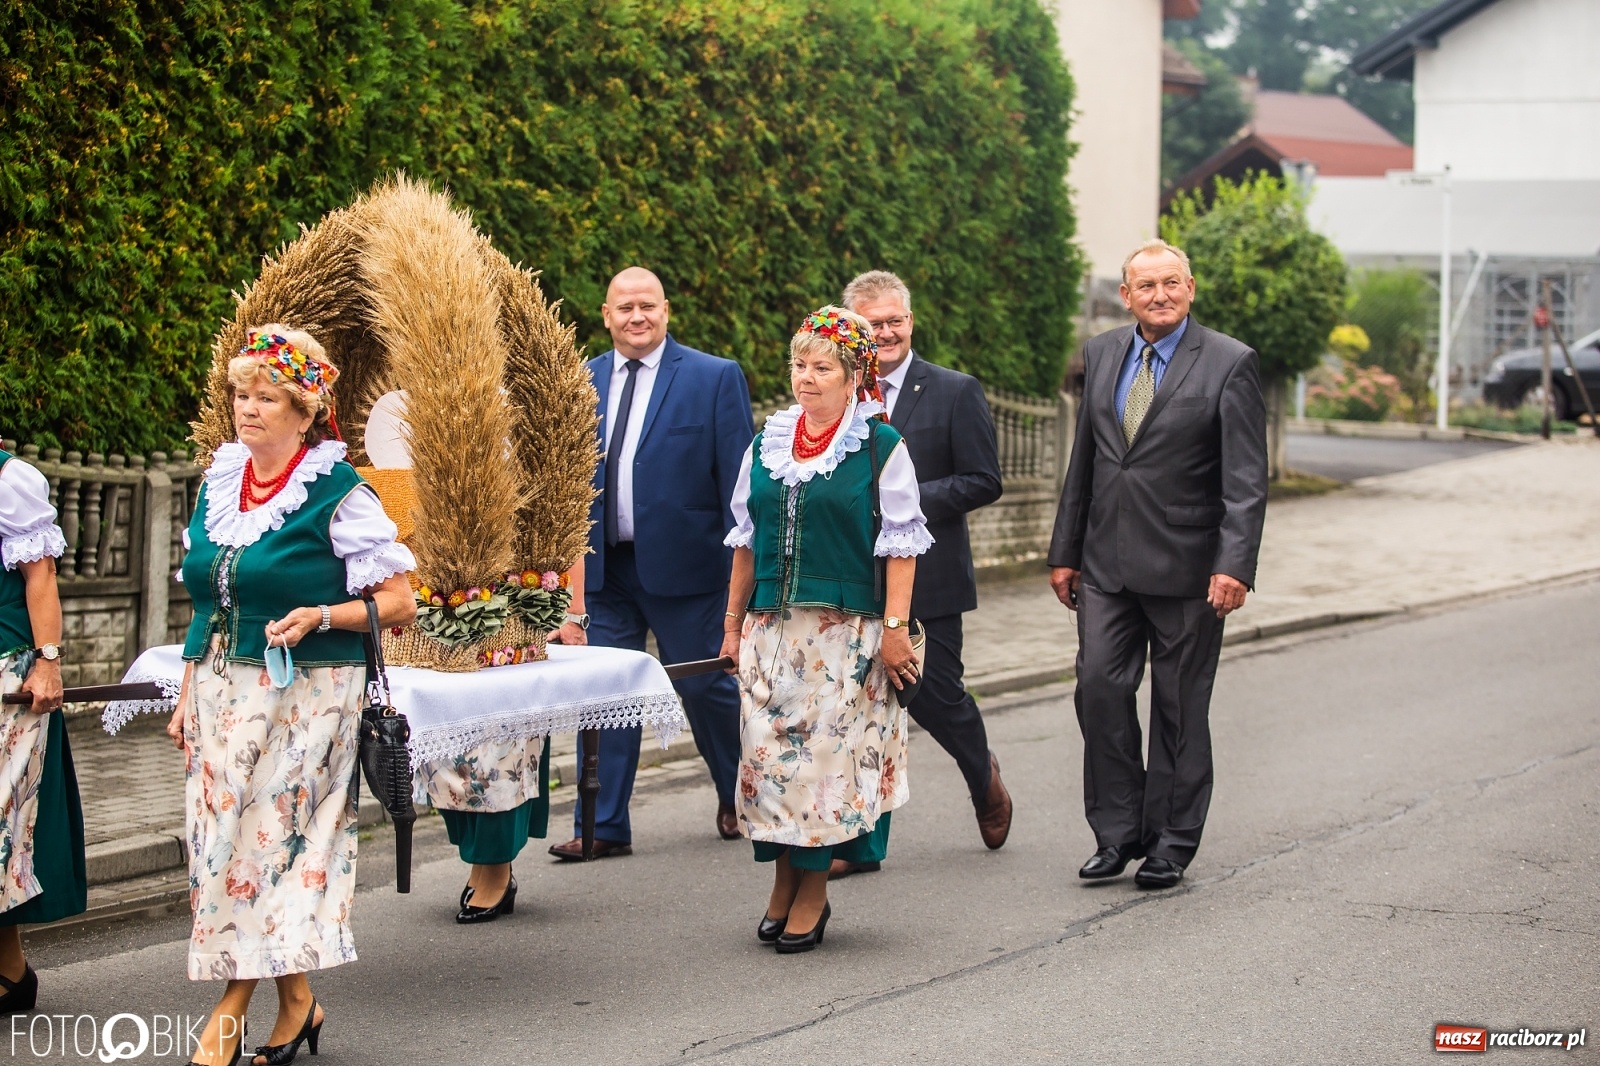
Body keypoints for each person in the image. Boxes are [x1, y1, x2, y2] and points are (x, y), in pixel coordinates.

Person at [164, 326, 416, 1066]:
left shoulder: (337, 493)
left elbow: (399, 601)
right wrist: (185, 691)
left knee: (271, 844)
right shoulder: (220, 482)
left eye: (265, 398)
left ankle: (233, 1002)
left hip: (308, 696)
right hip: (220, 692)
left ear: (305, 412)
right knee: (224, 845)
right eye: (241, 395)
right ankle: (298, 1000)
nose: (247, 409)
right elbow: (205, 602)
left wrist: (322, 615)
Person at [1048, 240, 1267, 891]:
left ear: (1190, 287)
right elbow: (1085, 458)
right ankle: (1117, 834)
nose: (1160, 295)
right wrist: (1064, 552)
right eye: (1146, 286)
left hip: (1191, 573)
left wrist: (1235, 564)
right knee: (1100, 690)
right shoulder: (1104, 353)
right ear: (1126, 295)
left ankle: (1171, 840)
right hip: (1106, 567)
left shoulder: (1230, 363)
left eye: (1171, 283)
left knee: (1178, 706)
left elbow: (1247, 479)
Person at [720, 306, 931, 952]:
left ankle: (811, 891)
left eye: (822, 367)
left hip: (843, 639)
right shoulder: (766, 444)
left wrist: (895, 630)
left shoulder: (879, 447)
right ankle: (784, 879)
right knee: (768, 766)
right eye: (798, 365)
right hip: (770, 634)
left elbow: (901, 547)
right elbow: (747, 544)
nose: (805, 378)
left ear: (853, 377)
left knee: (819, 770)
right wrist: (731, 627)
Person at [548, 267, 754, 860]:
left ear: (666, 310)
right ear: (606, 315)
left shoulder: (714, 378)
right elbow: (565, 485)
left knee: (709, 690)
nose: (637, 317)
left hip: (689, 570)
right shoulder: (578, 381)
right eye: (625, 308)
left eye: (648, 306)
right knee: (608, 693)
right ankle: (602, 826)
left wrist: (746, 577)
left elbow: (738, 483)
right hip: (605, 570)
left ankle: (740, 795)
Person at [361, 391, 591, 922]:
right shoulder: (387, 451)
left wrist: (568, 613)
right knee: (444, 757)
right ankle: (480, 862)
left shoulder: (502, 439)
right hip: (423, 632)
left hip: (498, 628)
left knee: (496, 753)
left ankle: (494, 868)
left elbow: (559, 532)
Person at [838, 270, 1011, 876]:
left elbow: (984, 479)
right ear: (853, 328)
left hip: (930, 581)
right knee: (857, 713)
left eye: (895, 320)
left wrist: (901, 498)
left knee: (934, 697)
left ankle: (982, 777)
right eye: (872, 323)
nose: (885, 332)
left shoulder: (955, 390)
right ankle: (855, 843)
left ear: (910, 321)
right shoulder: (837, 391)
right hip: (852, 581)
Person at [0, 447, 82, 1012]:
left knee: (4, 830)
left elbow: (41, 574)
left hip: (6, 676)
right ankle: (10, 973)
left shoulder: (9, 479)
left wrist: (47, 660)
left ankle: (9, 975)